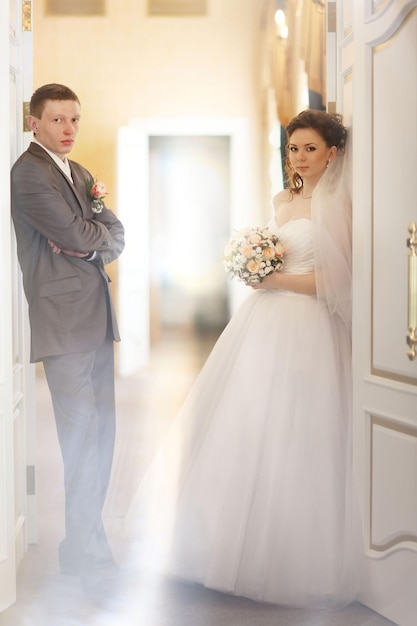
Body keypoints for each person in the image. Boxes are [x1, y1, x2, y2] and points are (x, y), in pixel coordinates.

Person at [126, 109, 360, 609]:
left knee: (298, 433)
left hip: (307, 327)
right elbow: (281, 258)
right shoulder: (285, 200)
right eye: (293, 148)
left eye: (310, 148)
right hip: (264, 320)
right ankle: (215, 546)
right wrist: (256, 268)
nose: (299, 157)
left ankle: (288, 555)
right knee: (246, 424)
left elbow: (336, 282)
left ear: (332, 153)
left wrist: (274, 279)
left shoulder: (337, 206)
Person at [11, 83, 125, 603]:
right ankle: (91, 560)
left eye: (75, 120)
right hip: (62, 324)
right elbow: (81, 238)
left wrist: (89, 239)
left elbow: (115, 234)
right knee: (81, 443)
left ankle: (79, 548)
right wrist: (88, 240)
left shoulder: (77, 173)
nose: (69, 129)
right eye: (58, 120)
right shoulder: (28, 174)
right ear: (34, 123)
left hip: (97, 321)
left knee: (102, 440)